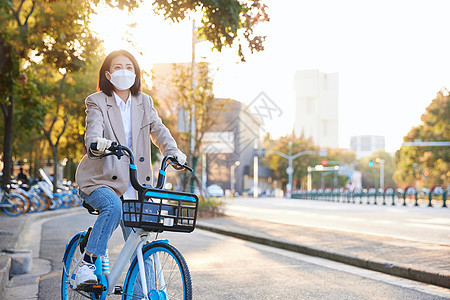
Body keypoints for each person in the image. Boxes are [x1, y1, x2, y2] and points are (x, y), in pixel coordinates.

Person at [74, 50, 186, 287]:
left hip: (136, 184)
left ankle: (140, 294)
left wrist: (173, 151)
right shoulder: (96, 101)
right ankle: (87, 263)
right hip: (99, 180)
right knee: (112, 206)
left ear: (135, 73)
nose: (123, 71)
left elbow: (159, 130)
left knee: (140, 243)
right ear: (108, 73)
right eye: (117, 67)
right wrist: (96, 143)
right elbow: (93, 128)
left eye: (129, 67)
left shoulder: (144, 102)